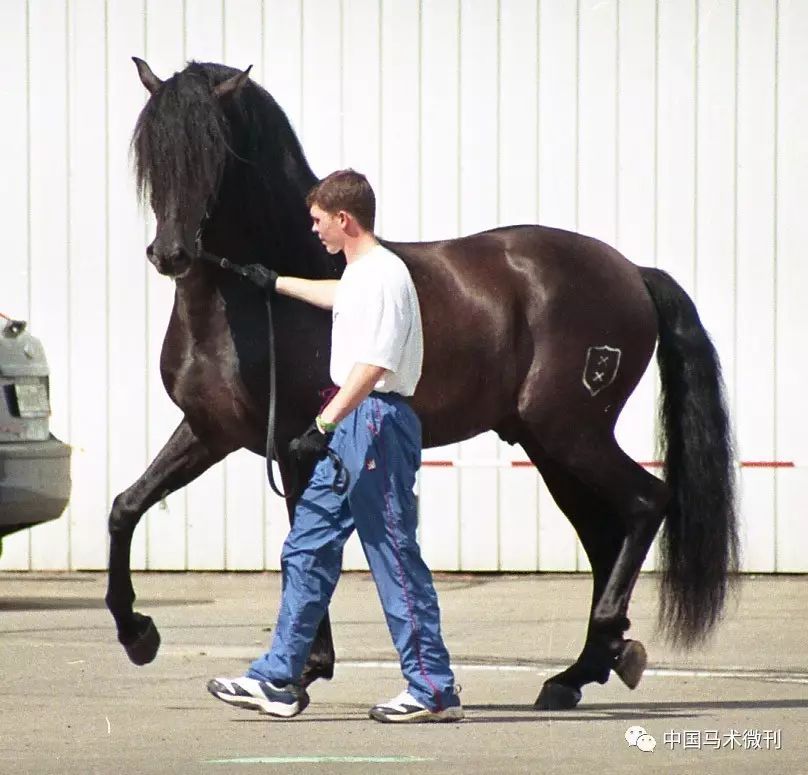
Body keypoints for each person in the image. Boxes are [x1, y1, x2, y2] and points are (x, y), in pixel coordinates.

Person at [207, 169, 463, 723]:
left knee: (393, 554)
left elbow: (374, 365)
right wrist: (272, 281)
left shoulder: (387, 276)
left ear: (344, 219)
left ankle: (433, 690)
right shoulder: (362, 276)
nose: (315, 230)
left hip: (373, 423)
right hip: (352, 426)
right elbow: (338, 296)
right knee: (306, 547)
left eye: (319, 221)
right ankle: (276, 679)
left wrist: (323, 424)